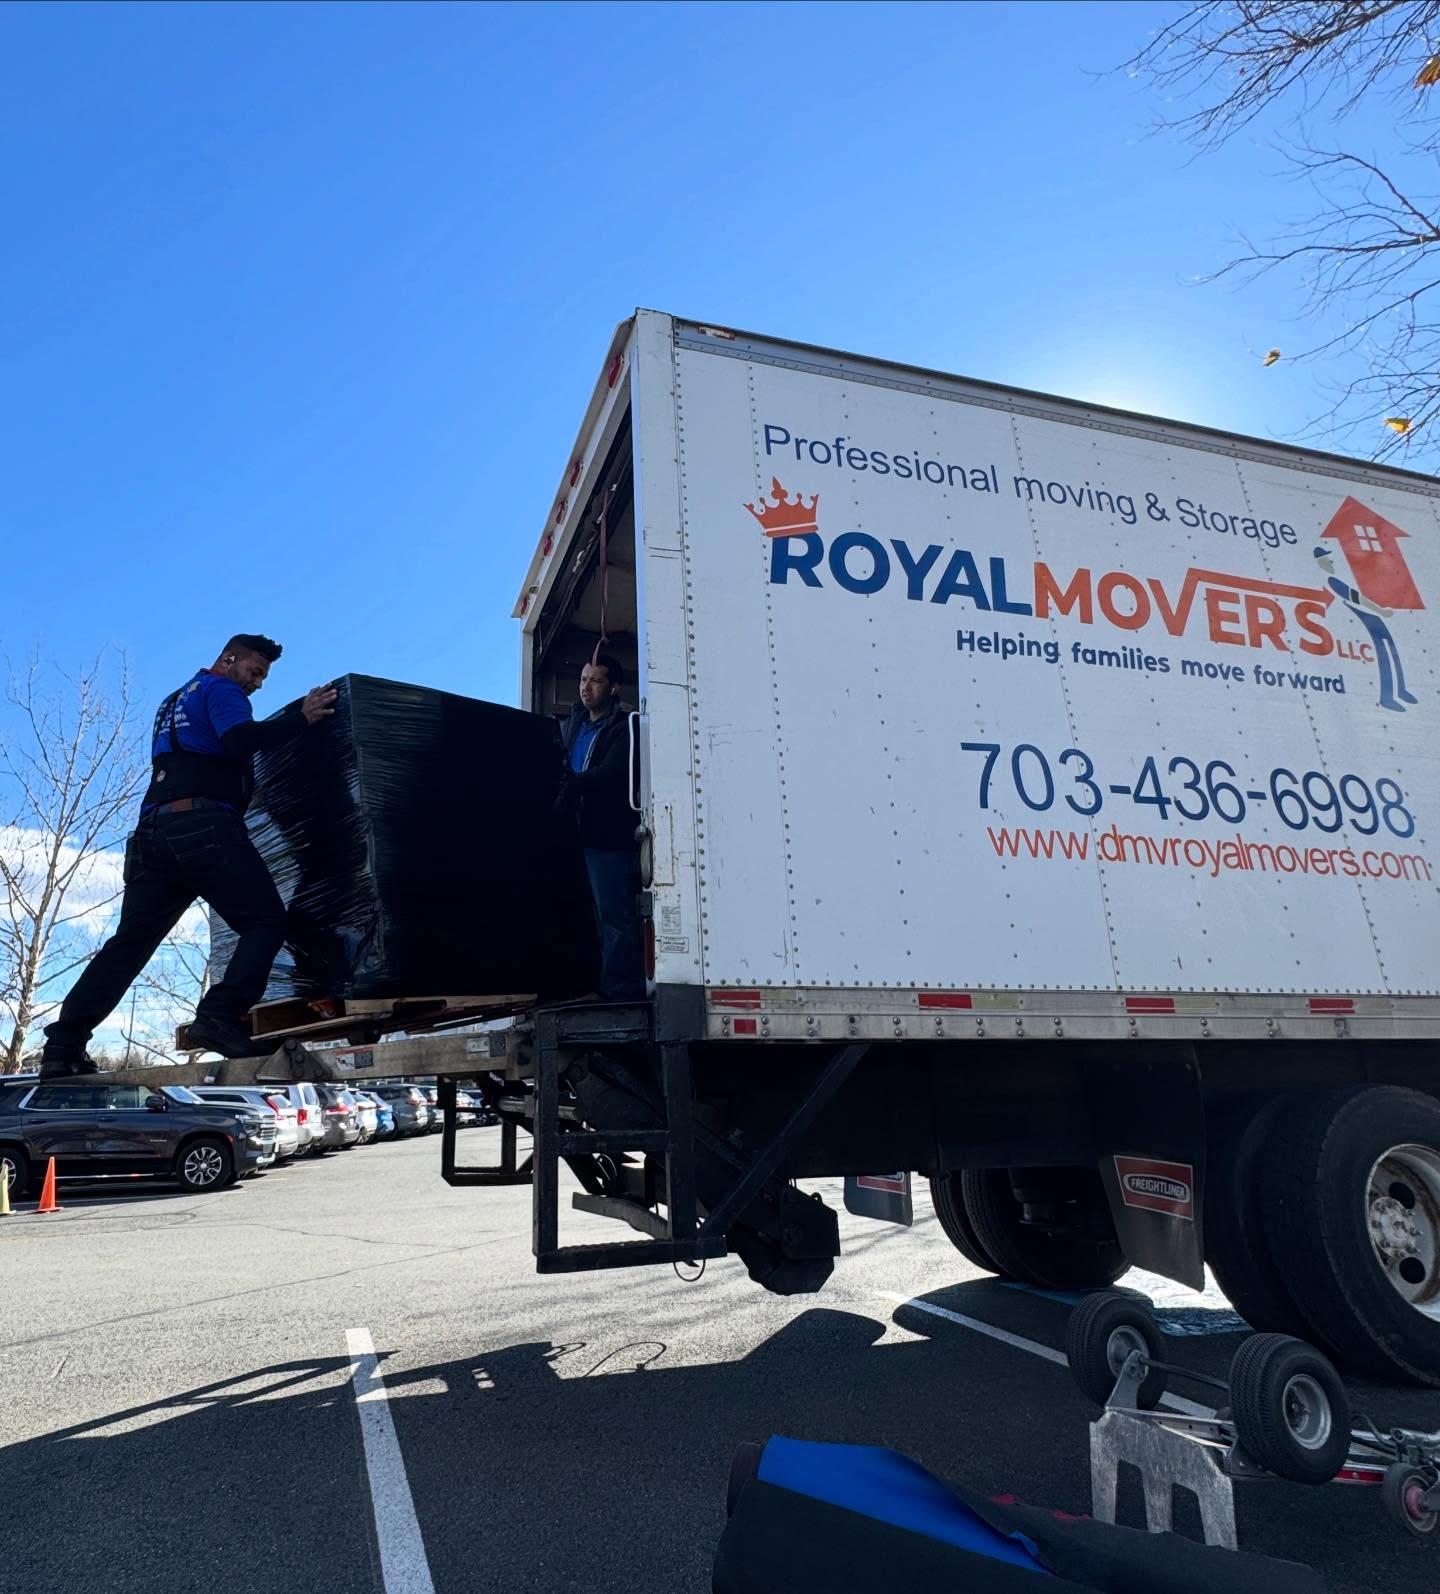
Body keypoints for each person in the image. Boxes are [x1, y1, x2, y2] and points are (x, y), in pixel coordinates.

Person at [39, 635, 337, 1076]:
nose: (256, 683)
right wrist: (303, 718)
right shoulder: (222, 690)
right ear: (228, 659)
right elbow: (240, 740)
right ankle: (219, 1014)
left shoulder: (175, 700)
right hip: (203, 826)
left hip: (153, 834)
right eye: (254, 671)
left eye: (262, 678)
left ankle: (63, 1047)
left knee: (129, 946)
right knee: (265, 921)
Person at [555, 654, 645, 1001]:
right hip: (575, 835)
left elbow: (612, 773)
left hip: (608, 837)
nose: (585, 687)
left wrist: (573, 786)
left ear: (613, 688)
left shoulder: (624, 727)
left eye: (595, 681)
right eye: (582, 679)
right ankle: (588, 985)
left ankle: (622, 991)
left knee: (614, 915)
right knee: (583, 915)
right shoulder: (572, 725)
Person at [1313, 546, 1417, 712]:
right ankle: (1388, 696)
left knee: (1390, 650)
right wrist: (1380, 610)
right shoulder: (1331, 580)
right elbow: (1355, 597)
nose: (1331, 562)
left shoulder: (1333, 578)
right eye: (1326, 560)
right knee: (1384, 652)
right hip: (1364, 615)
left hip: (1370, 615)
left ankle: (1400, 690)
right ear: (1320, 563)